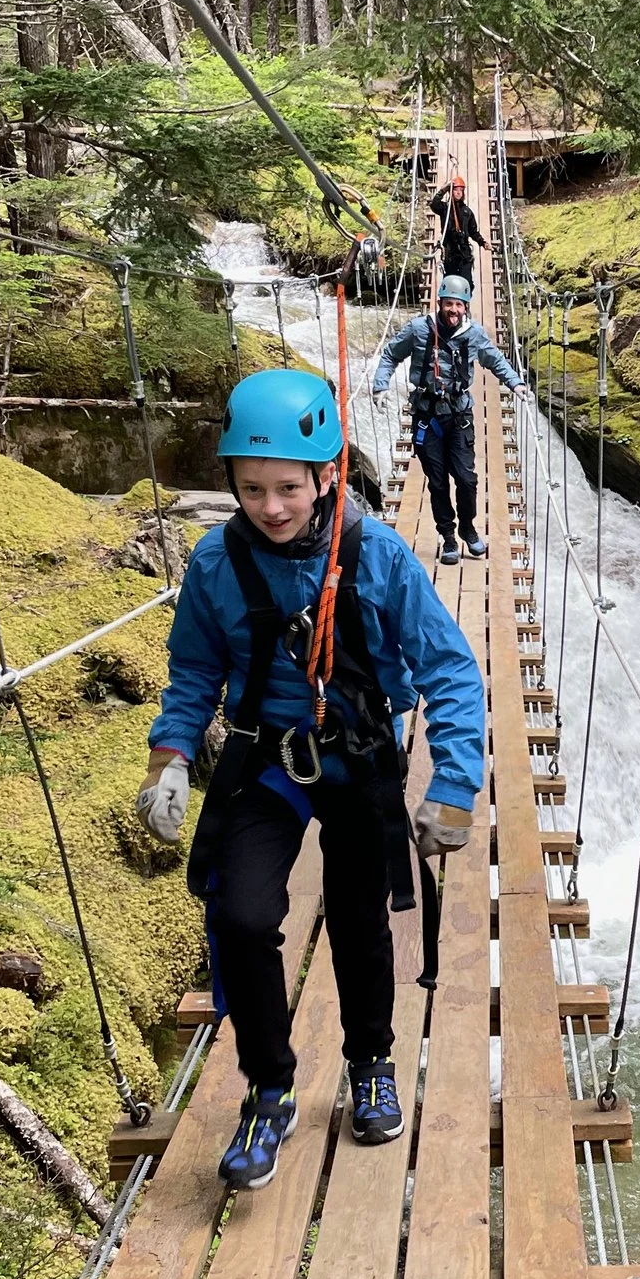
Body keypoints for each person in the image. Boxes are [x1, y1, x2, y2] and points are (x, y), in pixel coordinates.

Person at [134, 368, 482, 1190]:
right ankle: (270, 1086)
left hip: (357, 754)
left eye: (288, 486)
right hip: (265, 759)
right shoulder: (216, 563)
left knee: (360, 918)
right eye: (251, 488)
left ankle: (370, 1062)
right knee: (241, 913)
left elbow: (451, 671)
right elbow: (192, 671)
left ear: (327, 474)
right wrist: (171, 755)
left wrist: (455, 784)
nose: (271, 506)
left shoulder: (376, 554)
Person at [374, 276, 526, 565]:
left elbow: (494, 360)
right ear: (439, 303)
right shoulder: (419, 330)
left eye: (458, 304)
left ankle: (468, 528)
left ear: (466, 307)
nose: (453, 310)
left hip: (459, 416)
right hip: (426, 417)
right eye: (448, 304)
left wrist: (515, 384)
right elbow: (391, 355)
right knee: (438, 482)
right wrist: (380, 385)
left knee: (467, 479)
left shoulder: (473, 334)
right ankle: (448, 538)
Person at [426, 174, 487, 284]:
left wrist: (482, 242)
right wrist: (444, 189)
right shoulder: (444, 208)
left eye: (461, 190)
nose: (458, 192)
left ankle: (465, 301)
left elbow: (473, 231)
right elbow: (434, 204)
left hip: (464, 252)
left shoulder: (467, 212)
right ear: (451, 192)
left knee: (466, 282)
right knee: (450, 282)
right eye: (455, 190)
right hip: (450, 251)